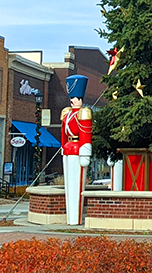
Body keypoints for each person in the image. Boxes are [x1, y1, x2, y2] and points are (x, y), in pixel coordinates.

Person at [61, 75, 93, 225]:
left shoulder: (84, 112)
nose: (73, 100)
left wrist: (85, 152)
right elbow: (63, 132)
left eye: (76, 97)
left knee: (76, 186)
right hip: (68, 149)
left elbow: (86, 133)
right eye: (72, 97)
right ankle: (69, 219)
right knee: (69, 187)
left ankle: (75, 219)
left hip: (77, 149)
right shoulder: (67, 113)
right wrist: (63, 146)